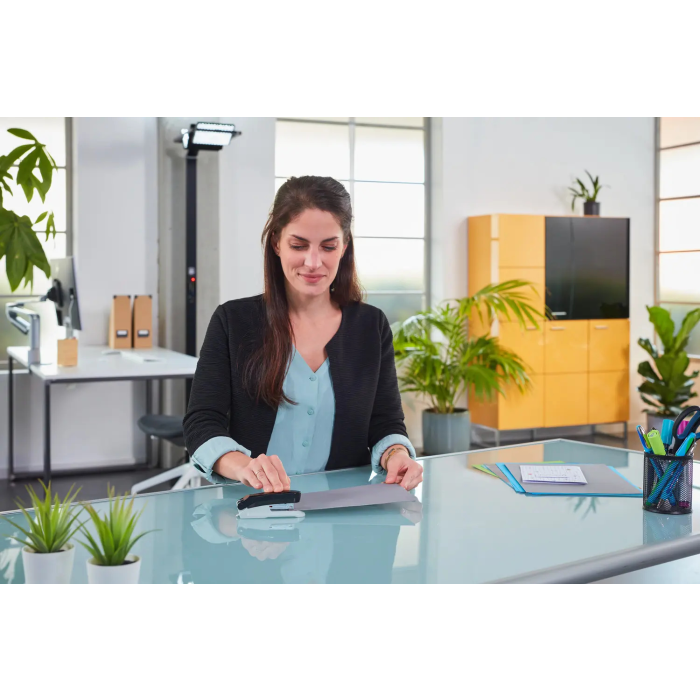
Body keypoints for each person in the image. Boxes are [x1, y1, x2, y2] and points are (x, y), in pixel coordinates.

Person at [183, 175, 423, 492]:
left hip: (342, 509)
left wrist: (397, 454)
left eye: (328, 246)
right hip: (252, 504)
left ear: (344, 246)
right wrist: (244, 466)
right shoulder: (233, 321)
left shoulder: (371, 326)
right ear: (276, 243)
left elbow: (385, 422)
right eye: (298, 245)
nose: (313, 262)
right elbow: (201, 422)